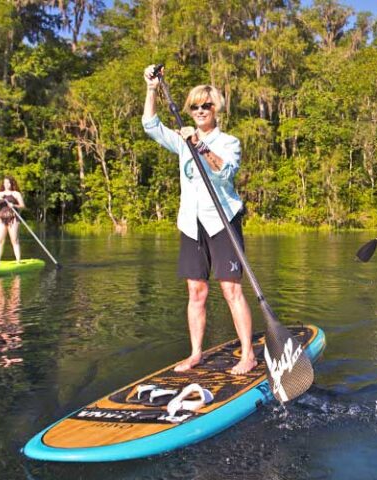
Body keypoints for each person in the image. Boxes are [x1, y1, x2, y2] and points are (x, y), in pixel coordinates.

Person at [141, 64, 257, 375]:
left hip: (222, 221)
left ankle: (248, 354)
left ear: (216, 109)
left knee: (231, 290)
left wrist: (200, 145)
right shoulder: (181, 141)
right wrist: (151, 89)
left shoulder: (228, 141)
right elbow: (150, 125)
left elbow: (225, 172)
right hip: (191, 223)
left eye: (207, 105)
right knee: (196, 291)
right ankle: (195, 353)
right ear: (190, 111)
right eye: (195, 106)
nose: (201, 110)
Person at [0, 176, 25, 263]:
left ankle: (18, 261)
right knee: (0, 240)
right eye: (5, 183)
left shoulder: (16, 194)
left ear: (11, 184)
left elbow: (22, 206)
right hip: (1, 219)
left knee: (14, 240)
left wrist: (14, 205)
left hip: (13, 218)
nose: (6, 184)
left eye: (8, 183)